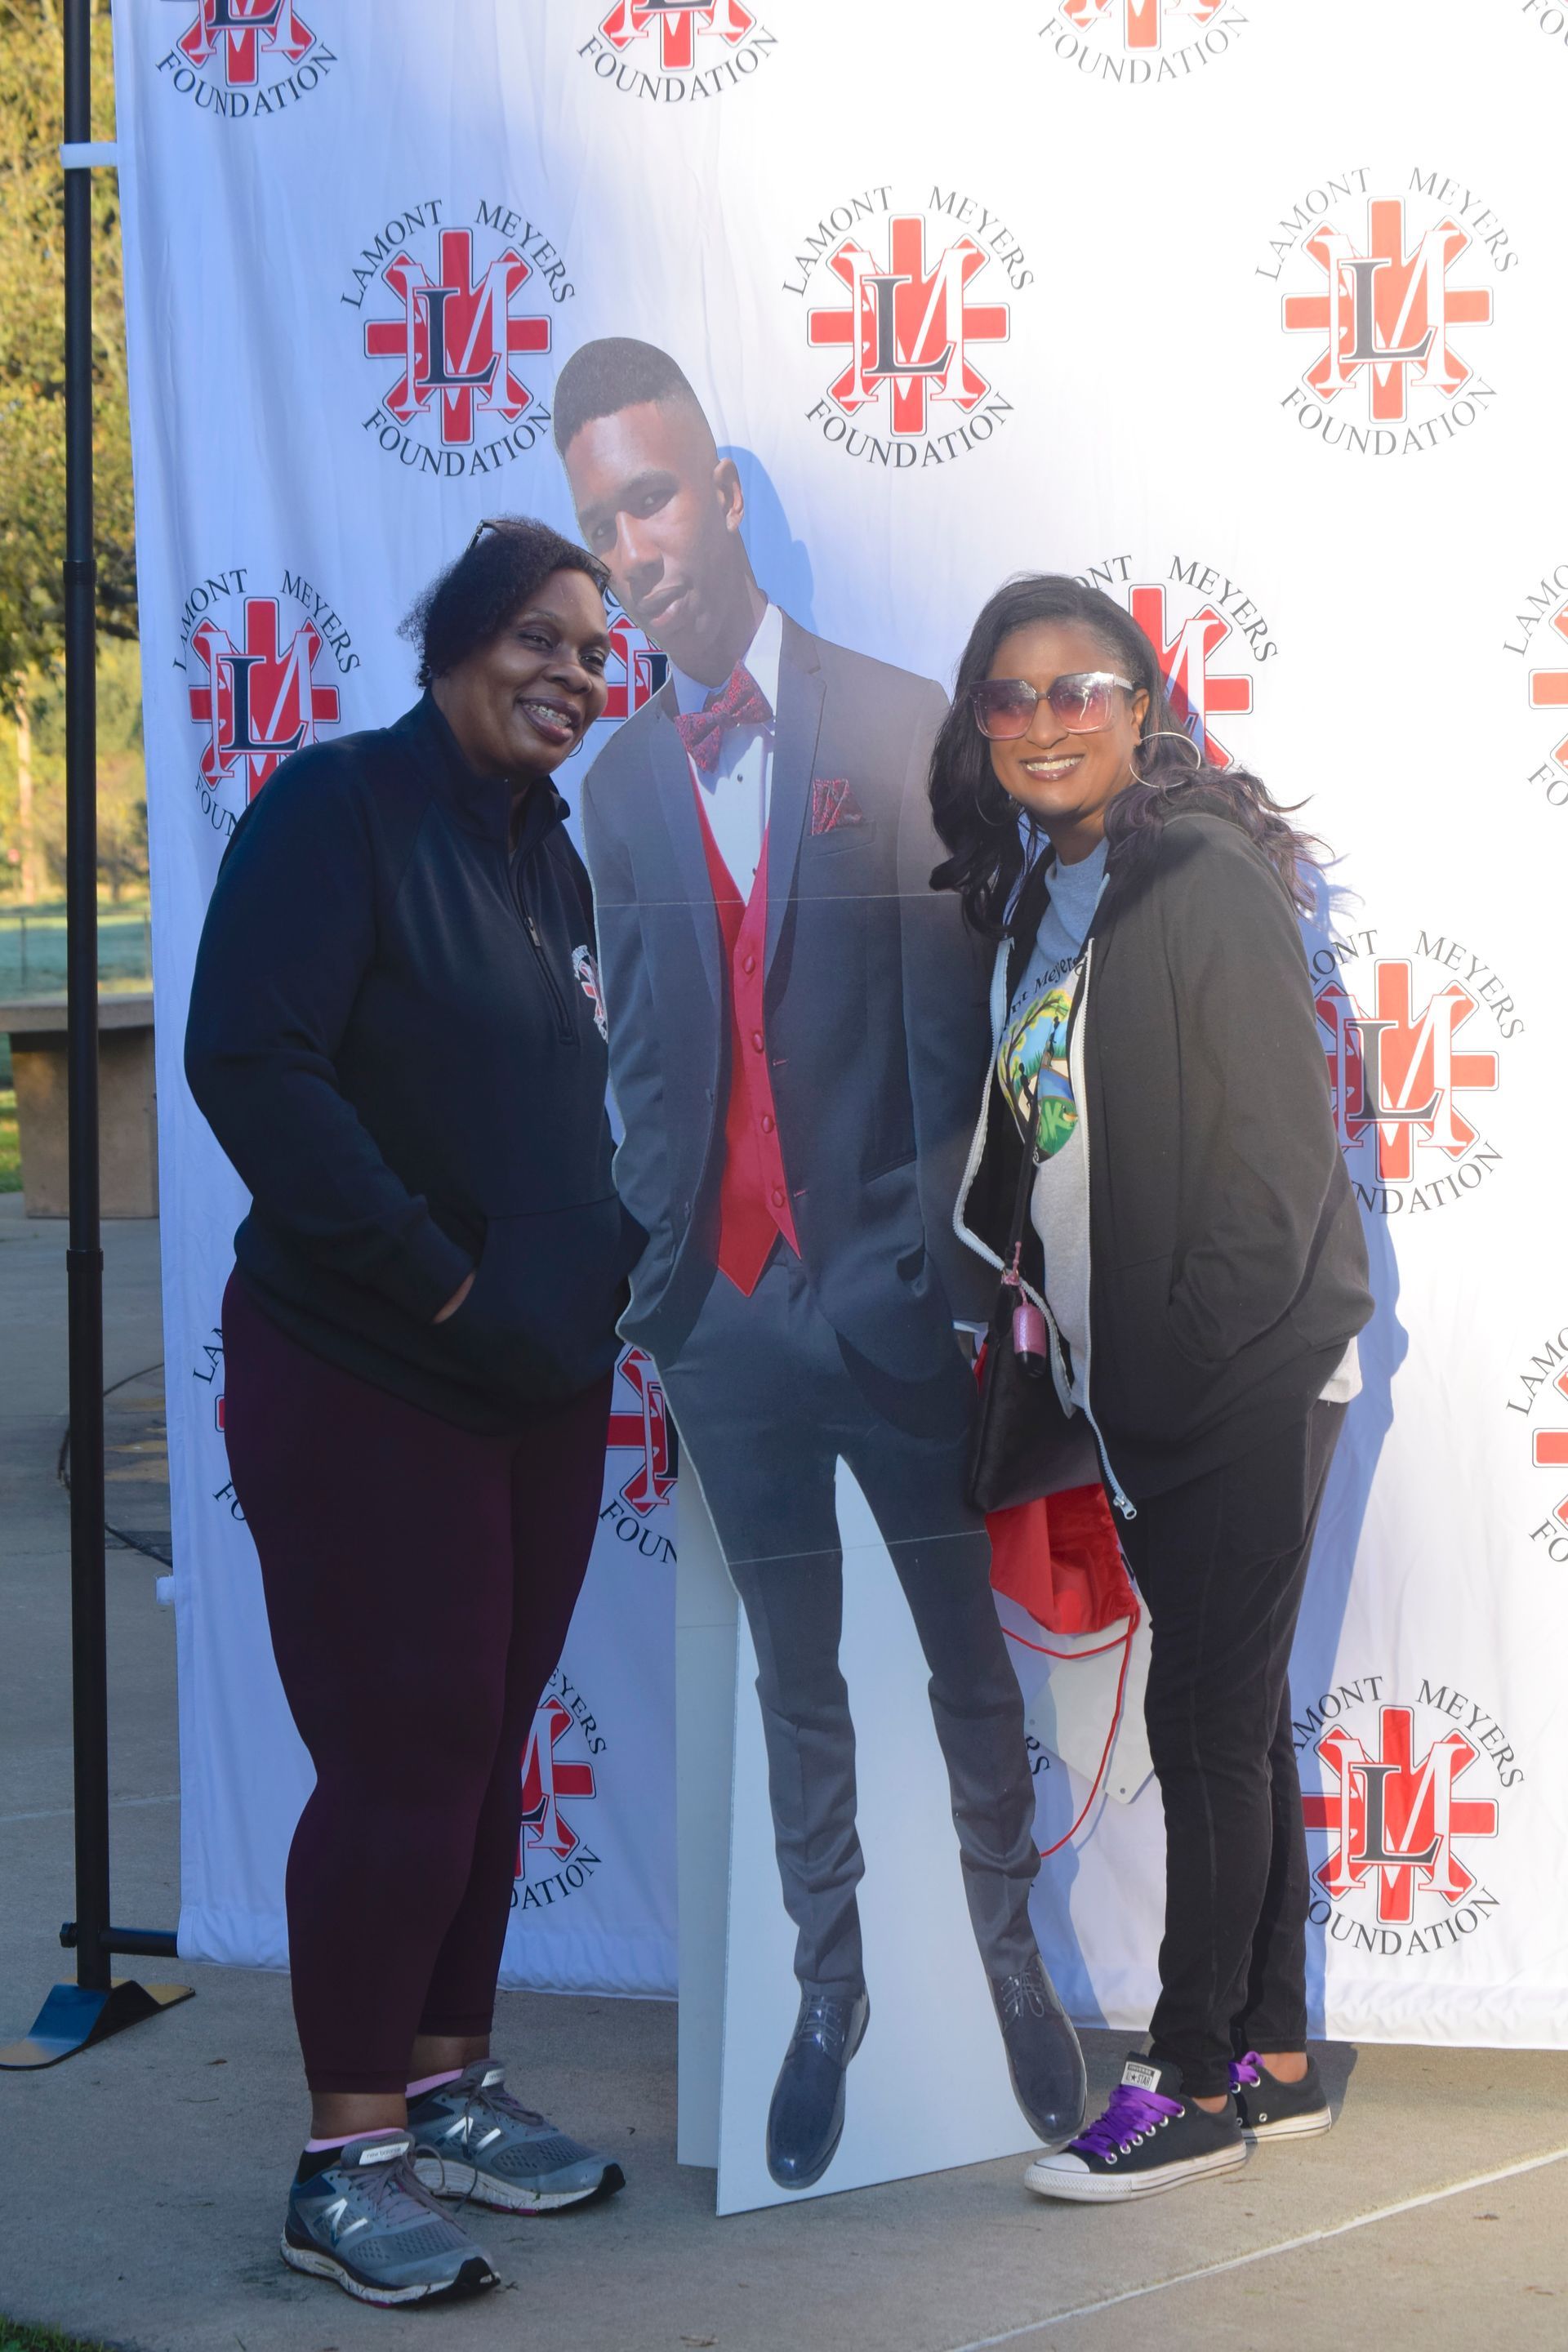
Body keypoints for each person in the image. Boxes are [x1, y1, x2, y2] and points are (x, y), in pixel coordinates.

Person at [552, 337, 1086, 2191]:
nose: (640, 541)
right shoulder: (617, 788)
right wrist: (659, 1297)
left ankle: (1018, 1971)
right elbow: (644, 1070)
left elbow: (965, 1052)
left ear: (726, 491)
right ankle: (829, 1995)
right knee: (796, 1688)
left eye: (660, 494)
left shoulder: (890, 730)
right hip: (724, 1335)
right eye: (604, 516)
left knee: (962, 1674)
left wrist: (958, 1287)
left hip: (888, 1315)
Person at [185, 519, 641, 2305]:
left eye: (596, 654)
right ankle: (343, 2160)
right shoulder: (338, 808)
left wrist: (589, 1274)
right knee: (402, 1758)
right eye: (537, 638)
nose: (572, 674)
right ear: (454, 642)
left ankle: (448, 2088)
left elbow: (544, 1107)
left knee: (486, 1741)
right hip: (371, 1370)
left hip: (537, 1381)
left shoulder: (554, 858)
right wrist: (443, 1278)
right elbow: (250, 1060)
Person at [932, 574, 1372, 2205]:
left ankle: (1184, 2082)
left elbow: (1274, 1167)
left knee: (1199, 1715)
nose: (1045, 722)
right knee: (1237, 1704)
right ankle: (1266, 2046)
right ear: (980, 730)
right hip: (1149, 1380)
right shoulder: (1045, 890)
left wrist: (1186, 1376)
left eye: (1078, 689)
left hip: (1244, 1370)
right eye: (1012, 697)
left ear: (1140, 704)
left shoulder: (1196, 875)